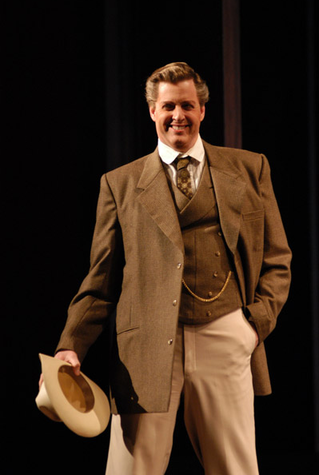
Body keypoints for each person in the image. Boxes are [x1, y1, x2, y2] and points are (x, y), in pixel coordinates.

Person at [41, 62, 292, 474]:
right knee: (132, 469)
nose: (179, 115)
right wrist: (71, 344)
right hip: (145, 348)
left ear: (203, 110)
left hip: (226, 335)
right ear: (153, 112)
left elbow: (277, 259)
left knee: (236, 468)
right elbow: (99, 280)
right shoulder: (119, 184)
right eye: (169, 106)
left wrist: (253, 325)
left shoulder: (249, 169)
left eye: (188, 105)